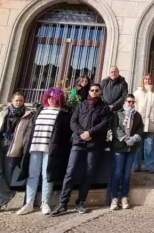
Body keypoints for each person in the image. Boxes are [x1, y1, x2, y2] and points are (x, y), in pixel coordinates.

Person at [50, 84, 111, 216]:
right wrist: (82, 133)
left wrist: (90, 133)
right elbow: (73, 121)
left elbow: (104, 123)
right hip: (78, 143)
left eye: (97, 90)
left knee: (88, 173)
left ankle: (81, 201)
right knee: (70, 172)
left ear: (100, 92)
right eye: (92, 90)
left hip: (94, 144)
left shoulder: (104, 107)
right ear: (89, 91)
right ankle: (63, 204)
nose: (94, 92)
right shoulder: (81, 105)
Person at [17, 87, 72, 215]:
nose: (52, 99)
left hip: (50, 149)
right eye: (50, 97)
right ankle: (29, 202)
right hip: (35, 146)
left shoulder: (63, 114)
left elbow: (65, 134)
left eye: (55, 97)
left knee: (47, 175)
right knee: (32, 174)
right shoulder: (39, 112)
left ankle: (44, 202)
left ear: (59, 99)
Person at [0, 92, 33, 214]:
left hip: (13, 146)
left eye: (21, 101)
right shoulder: (4, 112)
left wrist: (22, 148)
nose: (18, 103)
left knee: (7, 175)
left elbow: (27, 134)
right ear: (12, 101)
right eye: (17, 100)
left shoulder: (27, 115)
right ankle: (8, 195)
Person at [109, 94, 144, 210]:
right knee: (117, 172)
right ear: (124, 102)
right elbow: (115, 127)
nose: (131, 104)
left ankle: (124, 196)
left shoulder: (137, 115)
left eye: (133, 102)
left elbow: (140, 127)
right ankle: (114, 198)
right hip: (119, 146)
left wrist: (135, 138)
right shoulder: (117, 113)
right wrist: (124, 138)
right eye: (129, 102)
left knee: (127, 174)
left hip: (131, 148)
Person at [132, 73, 154, 173]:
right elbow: (134, 106)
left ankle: (149, 166)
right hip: (139, 123)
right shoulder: (138, 92)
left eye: (149, 79)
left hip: (151, 122)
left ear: (152, 80)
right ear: (143, 80)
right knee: (137, 145)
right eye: (145, 79)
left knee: (149, 146)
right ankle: (136, 165)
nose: (147, 80)